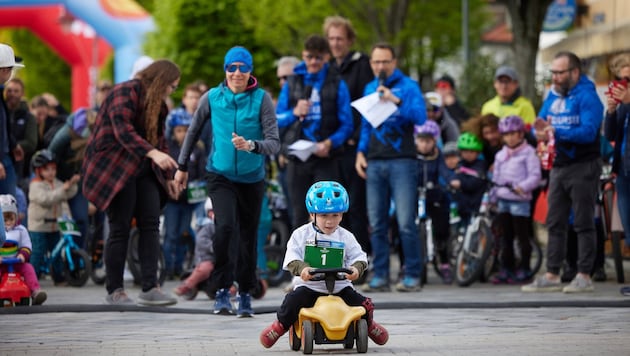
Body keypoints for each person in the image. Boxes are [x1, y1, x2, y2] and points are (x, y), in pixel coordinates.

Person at [174, 46, 280, 317]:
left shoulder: (261, 99)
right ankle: (222, 291)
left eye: (242, 67)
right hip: (220, 175)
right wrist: (182, 166)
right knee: (225, 229)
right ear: (225, 70)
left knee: (247, 236)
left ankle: (245, 293)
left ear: (250, 71)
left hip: (252, 178)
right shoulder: (212, 97)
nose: (236, 73)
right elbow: (193, 130)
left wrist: (252, 146)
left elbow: (274, 143)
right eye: (231, 67)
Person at [82, 59, 181, 306]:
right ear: (160, 80)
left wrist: (167, 176)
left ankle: (150, 287)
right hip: (114, 167)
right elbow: (122, 131)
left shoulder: (159, 106)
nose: (172, 92)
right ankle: (115, 290)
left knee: (150, 224)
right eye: (172, 86)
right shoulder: (124, 91)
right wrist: (154, 154)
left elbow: (160, 140)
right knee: (120, 227)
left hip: (142, 166)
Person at [259, 181, 389, 348]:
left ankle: (369, 325)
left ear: (342, 214)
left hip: (340, 286)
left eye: (335, 215)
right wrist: (302, 269)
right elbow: (291, 257)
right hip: (310, 287)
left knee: (365, 305)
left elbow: (360, 256)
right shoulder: (301, 235)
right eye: (323, 216)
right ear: (312, 214)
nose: (330, 221)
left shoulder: (345, 236)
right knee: (291, 301)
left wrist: (356, 269)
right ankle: (279, 327)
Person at [522, 51, 604, 293]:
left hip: (583, 164)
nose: (555, 77)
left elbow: (589, 133)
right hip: (558, 166)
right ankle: (552, 273)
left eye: (560, 72)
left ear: (574, 72)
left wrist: (555, 131)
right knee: (554, 221)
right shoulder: (553, 95)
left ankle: (584, 274)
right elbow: (541, 122)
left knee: (583, 221)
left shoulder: (588, 97)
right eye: (553, 72)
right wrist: (538, 133)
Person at [356, 42, 426, 292]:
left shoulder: (409, 87)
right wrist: (360, 152)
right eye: (376, 62)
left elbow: (420, 117)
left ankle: (413, 275)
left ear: (394, 62)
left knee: (406, 221)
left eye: (385, 61)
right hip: (374, 161)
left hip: (402, 161)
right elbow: (366, 125)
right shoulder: (369, 87)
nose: (380, 66)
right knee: (376, 222)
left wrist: (395, 99)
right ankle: (381, 275)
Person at [275, 34, 353, 229]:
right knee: (299, 215)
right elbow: (277, 119)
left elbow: (347, 124)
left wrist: (330, 143)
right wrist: (295, 112)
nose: (313, 62)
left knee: (326, 214)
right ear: (303, 55)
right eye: (309, 57)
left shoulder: (337, 82)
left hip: (326, 157)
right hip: (298, 157)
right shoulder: (293, 82)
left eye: (318, 57)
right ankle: (299, 259)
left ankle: (326, 258)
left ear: (326, 57)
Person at [324, 16, 374, 256]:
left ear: (350, 40)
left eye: (340, 39)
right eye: (331, 39)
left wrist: (355, 136)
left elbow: (366, 105)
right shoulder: (327, 68)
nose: (335, 43)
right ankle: (338, 257)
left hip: (354, 146)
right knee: (334, 207)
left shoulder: (361, 65)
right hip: (334, 148)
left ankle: (362, 256)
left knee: (355, 206)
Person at [489, 115, 541, 284]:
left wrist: (523, 187)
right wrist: (494, 194)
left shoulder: (529, 153)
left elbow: (535, 176)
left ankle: (525, 268)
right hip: (503, 201)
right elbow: (496, 177)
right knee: (505, 237)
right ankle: (507, 268)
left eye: (513, 134)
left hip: (520, 201)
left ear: (521, 134)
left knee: (522, 237)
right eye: (506, 134)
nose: (510, 138)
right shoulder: (500, 155)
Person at [163, 107, 206, 280]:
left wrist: (199, 184)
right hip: (173, 200)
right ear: (172, 132)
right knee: (170, 234)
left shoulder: (198, 149)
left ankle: (179, 267)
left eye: (186, 130)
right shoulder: (168, 149)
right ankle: (167, 267)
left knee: (183, 233)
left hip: (189, 200)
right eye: (179, 130)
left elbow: (202, 172)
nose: (182, 134)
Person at [28, 149, 79, 284]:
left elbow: (67, 193)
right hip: (39, 227)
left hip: (55, 226)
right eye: (47, 169)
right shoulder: (35, 185)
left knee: (56, 252)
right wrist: (63, 189)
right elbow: (46, 199)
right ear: (38, 170)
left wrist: (72, 184)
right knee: (38, 252)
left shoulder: (56, 183)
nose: (51, 172)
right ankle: (32, 278)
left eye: (53, 169)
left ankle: (58, 276)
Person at [414, 120, 455, 283]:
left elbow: (445, 172)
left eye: (428, 141)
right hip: (415, 195)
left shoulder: (438, 157)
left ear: (434, 141)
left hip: (435, 195)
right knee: (401, 225)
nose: (424, 145)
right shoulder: (411, 156)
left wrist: (452, 181)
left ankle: (444, 262)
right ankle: (405, 265)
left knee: (441, 229)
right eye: (421, 140)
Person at [603, 52, 630, 296]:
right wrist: (611, 111)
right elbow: (610, 136)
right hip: (623, 171)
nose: (625, 85)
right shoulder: (623, 105)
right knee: (628, 228)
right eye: (622, 80)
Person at [0, 194, 47, 304]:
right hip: (1, 263)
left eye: (11, 218)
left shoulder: (21, 230)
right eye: (4, 219)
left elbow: (26, 245)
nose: (8, 222)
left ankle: (35, 291)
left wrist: (22, 255)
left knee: (28, 268)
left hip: (16, 262)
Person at [173, 197, 215, 299]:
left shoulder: (224, 226)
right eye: (213, 212)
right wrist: (213, 247)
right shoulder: (207, 226)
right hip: (206, 257)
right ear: (208, 213)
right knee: (205, 268)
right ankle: (186, 285)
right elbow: (202, 241)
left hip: (221, 257)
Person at [0, 43, 25, 197]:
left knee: (9, 210)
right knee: (8, 211)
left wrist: (13, 142)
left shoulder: (0, 92)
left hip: (5, 157)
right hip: (2, 160)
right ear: (4, 70)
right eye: (11, 69)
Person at [4, 78, 37, 190]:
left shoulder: (28, 117)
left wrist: (12, 146)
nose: (12, 94)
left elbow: (31, 142)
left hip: (20, 167)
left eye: (16, 91)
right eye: (9, 90)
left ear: (22, 93)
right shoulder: (2, 112)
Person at [449, 132, 486, 225]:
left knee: (472, 227)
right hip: (461, 204)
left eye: (472, 151)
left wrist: (461, 184)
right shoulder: (460, 164)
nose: (468, 154)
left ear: (477, 152)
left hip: (475, 203)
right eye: (465, 151)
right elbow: (455, 177)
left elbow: (475, 183)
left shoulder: (480, 165)